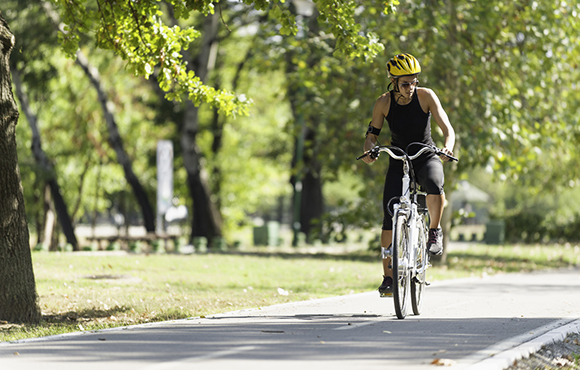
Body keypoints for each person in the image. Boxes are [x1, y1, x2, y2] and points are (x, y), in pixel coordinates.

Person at [361, 53, 455, 296]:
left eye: (414, 81)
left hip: (425, 154)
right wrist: (370, 150)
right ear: (393, 81)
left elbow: (448, 129)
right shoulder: (383, 103)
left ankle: (434, 231)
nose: (411, 87)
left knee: (435, 184)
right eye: (405, 83)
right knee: (389, 214)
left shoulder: (426, 96)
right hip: (397, 158)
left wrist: (448, 147)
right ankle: (388, 278)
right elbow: (372, 136)